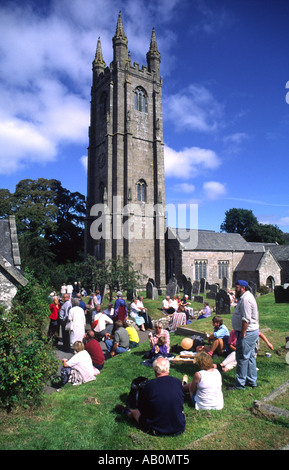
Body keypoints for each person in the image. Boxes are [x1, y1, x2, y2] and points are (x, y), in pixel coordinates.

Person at [115, 357, 185, 436]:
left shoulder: (149, 386)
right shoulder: (177, 382)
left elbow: (142, 409)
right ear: (168, 369)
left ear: (155, 370)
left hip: (156, 429)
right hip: (179, 427)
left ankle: (125, 411)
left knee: (135, 412)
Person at [229, 280, 259, 390]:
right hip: (250, 332)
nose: (235, 290)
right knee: (250, 357)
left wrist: (243, 332)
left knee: (241, 358)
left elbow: (246, 318)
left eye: (237, 288)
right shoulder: (245, 297)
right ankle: (252, 381)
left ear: (243, 288)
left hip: (248, 332)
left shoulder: (246, 299)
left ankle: (239, 384)